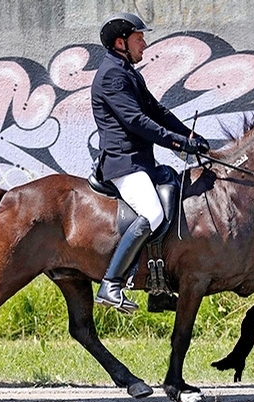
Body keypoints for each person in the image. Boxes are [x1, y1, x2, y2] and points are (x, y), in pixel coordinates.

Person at [90, 12, 210, 313]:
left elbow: (157, 111)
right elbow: (135, 121)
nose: (145, 44)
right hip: (123, 163)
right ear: (121, 42)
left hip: (141, 162)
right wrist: (178, 142)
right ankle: (111, 284)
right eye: (139, 38)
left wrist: (190, 134)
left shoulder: (129, 72)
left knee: (172, 190)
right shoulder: (111, 76)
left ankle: (158, 285)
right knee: (153, 214)